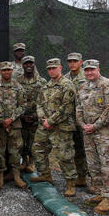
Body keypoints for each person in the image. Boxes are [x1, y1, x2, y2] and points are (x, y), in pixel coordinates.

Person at [76, 59, 109, 214]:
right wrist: (82, 124)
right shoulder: (82, 87)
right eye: (86, 70)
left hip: (106, 133)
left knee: (108, 165)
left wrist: (95, 126)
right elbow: (78, 108)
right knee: (94, 165)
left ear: (98, 69)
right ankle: (100, 192)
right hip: (88, 133)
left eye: (92, 70)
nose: (89, 72)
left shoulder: (108, 86)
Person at [31, 58, 78, 197]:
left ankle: (70, 183)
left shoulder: (67, 85)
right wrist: (42, 119)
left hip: (61, 126)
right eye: (49, 69)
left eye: (54, 68)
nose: (51, 71)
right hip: (44, 125)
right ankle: (45, 175)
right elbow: (39, 103)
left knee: (64, 155)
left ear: (60, 68)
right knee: (37, 149)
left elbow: (67, 108)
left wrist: (51, 121)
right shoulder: (46, 86)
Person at [0, 62, 27, 189]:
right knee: (0, 151)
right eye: (4, 70)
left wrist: (11, 119)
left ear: (12, 71)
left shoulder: (18, 87)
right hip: (0, 125)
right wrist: (2, 120)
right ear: (0, 71)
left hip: (15, 125)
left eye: (8, 70)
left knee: (15, 151)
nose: (6, 72)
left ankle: (16, 176)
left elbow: (23, 106)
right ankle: (0, 176)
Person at [17, 56, 46, 174]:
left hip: (35, 116)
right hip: (21, 116)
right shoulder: (18, 81)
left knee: (34, 141)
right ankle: (24, 160)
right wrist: (21, 115)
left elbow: (44, 100)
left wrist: (36, 115)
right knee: (22, 141)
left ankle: (32, 162)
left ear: (34, 65)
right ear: (22, 65)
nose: (28, 66)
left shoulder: (41, 81)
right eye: (26, 64)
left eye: (31, 64)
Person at [64, 52, 89, 187]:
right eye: (70, 61)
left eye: (75, 61)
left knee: (89, 149)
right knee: (76, 149)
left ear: (81, 62)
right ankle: (81, 176)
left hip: (85, 120)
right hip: (70, 120)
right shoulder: (65, 78)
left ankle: (94, 181)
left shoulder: (87, 76)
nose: (72, 64)